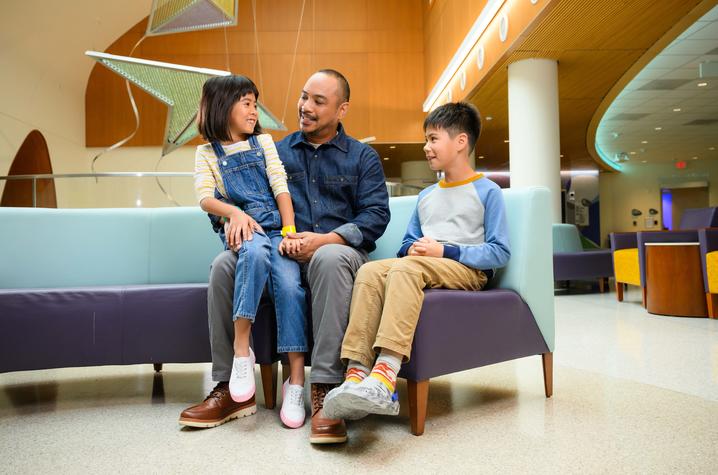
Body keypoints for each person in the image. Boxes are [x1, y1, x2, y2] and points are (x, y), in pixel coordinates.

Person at [179, 70, 390, 445]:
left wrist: (325, 239)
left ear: (342, 109)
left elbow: (375, 217)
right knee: (224, 265)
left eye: (318, 102)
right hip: (278, 248)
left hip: (337, 257)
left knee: (327, 259)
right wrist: (231, 223)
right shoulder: (273, 148)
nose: (305, 107)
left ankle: (325, 389)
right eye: (304, 97)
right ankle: (229, 387)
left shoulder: (363, 158)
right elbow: (230, 197)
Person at [322, 102, 511, 420]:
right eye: (427, 139)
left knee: (408, 269)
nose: (427, 147)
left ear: (460, 141)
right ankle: (356, 374)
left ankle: (385, 376)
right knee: (369, 270)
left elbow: (499, 252)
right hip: (426, 265)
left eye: (434, 139)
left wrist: (445, 251)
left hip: (468, 270)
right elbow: (407, 243)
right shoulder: (426, 196)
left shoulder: (488, 191)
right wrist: (413, 250)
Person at [187, 75, 308, 429]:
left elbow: (280, 186)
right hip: (245, 229)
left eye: (256, 103)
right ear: (223, 106)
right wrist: (235, 213)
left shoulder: (264, 143)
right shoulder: (206, 152)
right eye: (246, 103)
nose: (254, 110)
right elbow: (205, 197)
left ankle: (296, 381)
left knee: (290, 287)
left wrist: (288, 231)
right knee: (251, 255)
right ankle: (243, 350)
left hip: (275, 228)